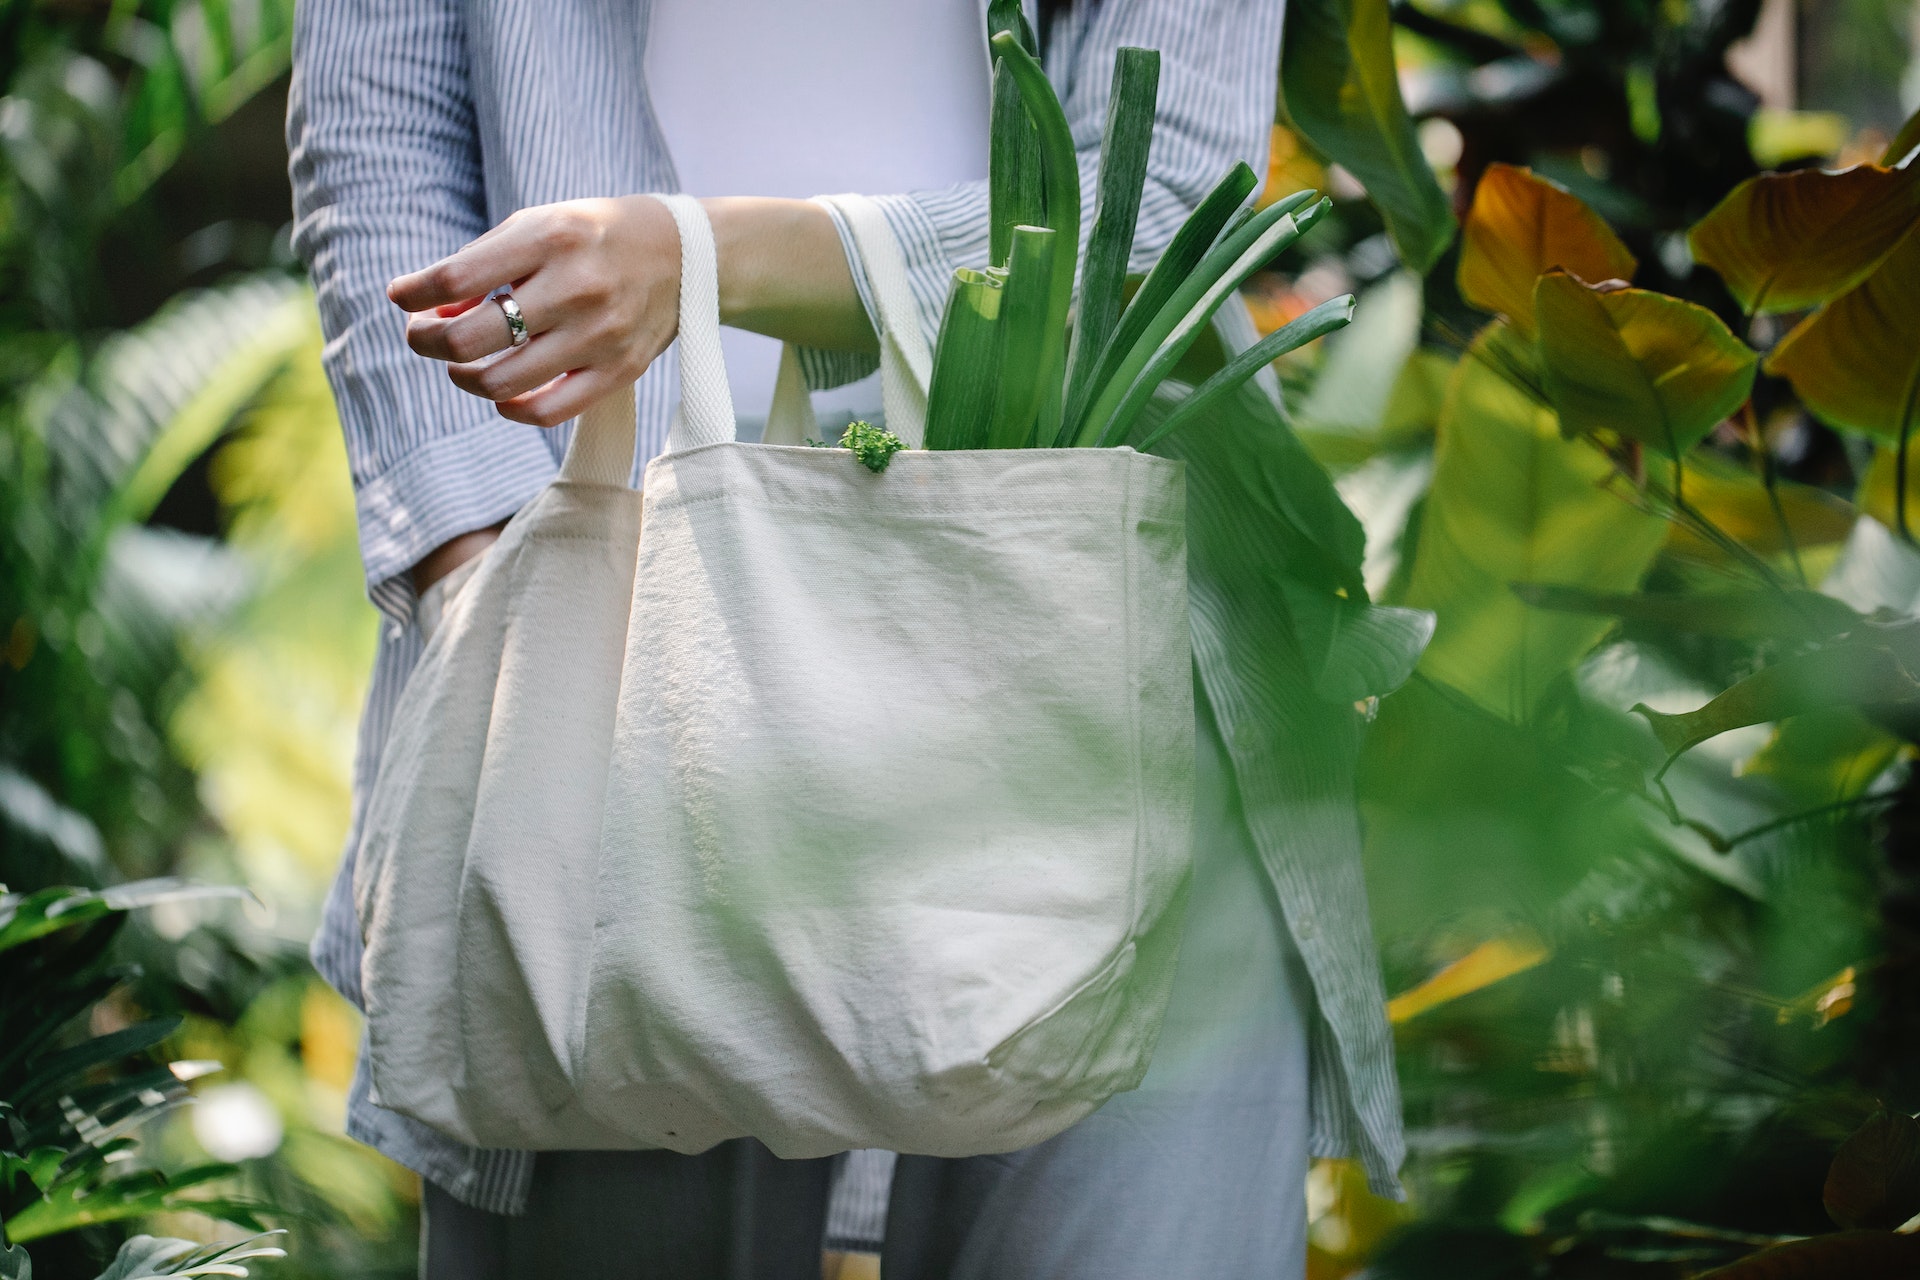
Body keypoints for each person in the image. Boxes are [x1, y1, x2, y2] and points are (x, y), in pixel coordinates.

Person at [287, 2, 1404, 1276]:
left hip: (1100, 658)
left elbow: (1165, 206)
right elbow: (376, 138)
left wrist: (704, 258)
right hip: (602, 684)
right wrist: (480, 577)